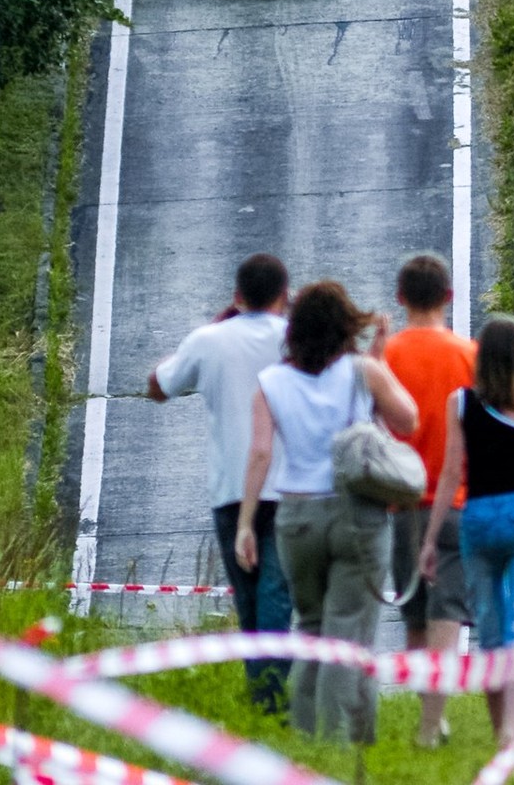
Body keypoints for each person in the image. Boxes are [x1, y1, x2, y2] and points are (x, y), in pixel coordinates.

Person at [236, 281, 417, 746]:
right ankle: (341, 743)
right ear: (346, 325)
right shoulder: (362, 371)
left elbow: (260, 453)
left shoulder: (270, 383)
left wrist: (246, 524)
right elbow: (407, 419)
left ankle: (305, 735)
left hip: (296, 516)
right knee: (348, 631)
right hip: (355, 511)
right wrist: (378, 365)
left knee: (311, 627)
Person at [148, 254, 294, 715]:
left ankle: (262, 693)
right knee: (277, 591)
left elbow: (158, 385)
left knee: (248, 597)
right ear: (284, 295)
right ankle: (272, 693)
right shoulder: (295, 336)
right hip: (290, 485)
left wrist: (214, 326)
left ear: (236, 295)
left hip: (230, 486)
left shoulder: (208, 340)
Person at [420, 315, 514, 749]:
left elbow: (450, 473)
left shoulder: (460, 403)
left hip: (477, 520)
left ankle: (501, 731)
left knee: (491, 630)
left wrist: (430, 538)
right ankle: (513, 729)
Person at [383, 254, 477, 750]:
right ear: (449, 296)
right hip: (457, 499)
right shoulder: (469, 355)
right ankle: (431, 722)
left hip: (403, 502)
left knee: (415, 615)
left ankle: (427, 714)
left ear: (400, 297)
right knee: (449, 611)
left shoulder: (388, 355)